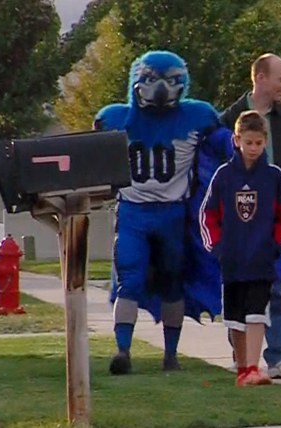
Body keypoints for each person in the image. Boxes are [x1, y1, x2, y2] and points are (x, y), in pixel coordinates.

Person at [95, 50, 229, 375]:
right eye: (153, 80)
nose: (160, 89)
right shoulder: (114, 119)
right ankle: (122, 350)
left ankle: (171, 355)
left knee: (173, 281)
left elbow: (225, 149)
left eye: (169, 81)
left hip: (173, 213)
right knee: (130, 279)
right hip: (133, 212)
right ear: (137, 81)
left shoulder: (198, 117)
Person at [219, 53, 281, 379]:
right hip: (241, 226)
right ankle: (242, 356)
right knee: (243, 294)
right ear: (260, 78)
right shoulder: (228, 118)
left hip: (279, 223)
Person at [200, 111, 281, 386]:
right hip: (231, 259)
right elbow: (208, 214)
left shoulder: (273, 176)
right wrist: (216, 246)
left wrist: (278, 245)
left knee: (257, 313)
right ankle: (242, 368)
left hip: (261, 259)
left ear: (265, 142)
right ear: (237, 140)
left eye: (259, 143)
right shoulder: (224, 175)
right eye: (248, 142)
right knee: (235, 319)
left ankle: (254, 367)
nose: (253, 148)